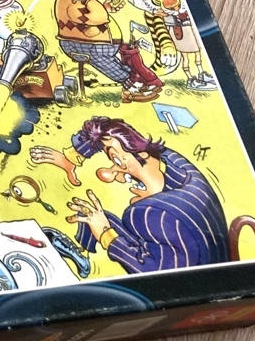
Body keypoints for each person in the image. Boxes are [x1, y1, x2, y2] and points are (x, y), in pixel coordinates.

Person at [29, 116, 233, 272]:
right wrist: (73, 157)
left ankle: (87, 264)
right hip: (207, 252)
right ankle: (83, 257)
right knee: (92, 215)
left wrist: (105, 234)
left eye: (118, 162)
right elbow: (106, 130)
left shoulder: (144, 214)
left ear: (142, 154)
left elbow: (152, 270)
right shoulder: (170, 160)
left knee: (101, 224)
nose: (111, 174)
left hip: (190, 277)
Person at [52, 0, 156, 103]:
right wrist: (89, 0)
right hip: (80, 44)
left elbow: (92, 16)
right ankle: (132, 86)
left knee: (115, 63)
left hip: (92, 42)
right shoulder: (72, 0)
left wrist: (105, 7)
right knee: (106, 63)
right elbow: (98, 17)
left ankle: (136, 82)